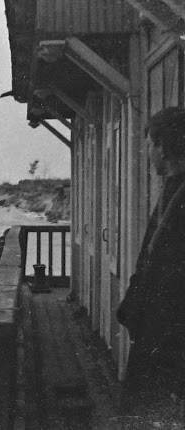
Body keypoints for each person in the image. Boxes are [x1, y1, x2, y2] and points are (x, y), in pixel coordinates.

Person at [117, 107, 185, 403]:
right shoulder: (173, 189)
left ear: (163, 147)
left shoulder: (178, 194)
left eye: (148, 145)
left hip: (167, 334)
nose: (147, 154)